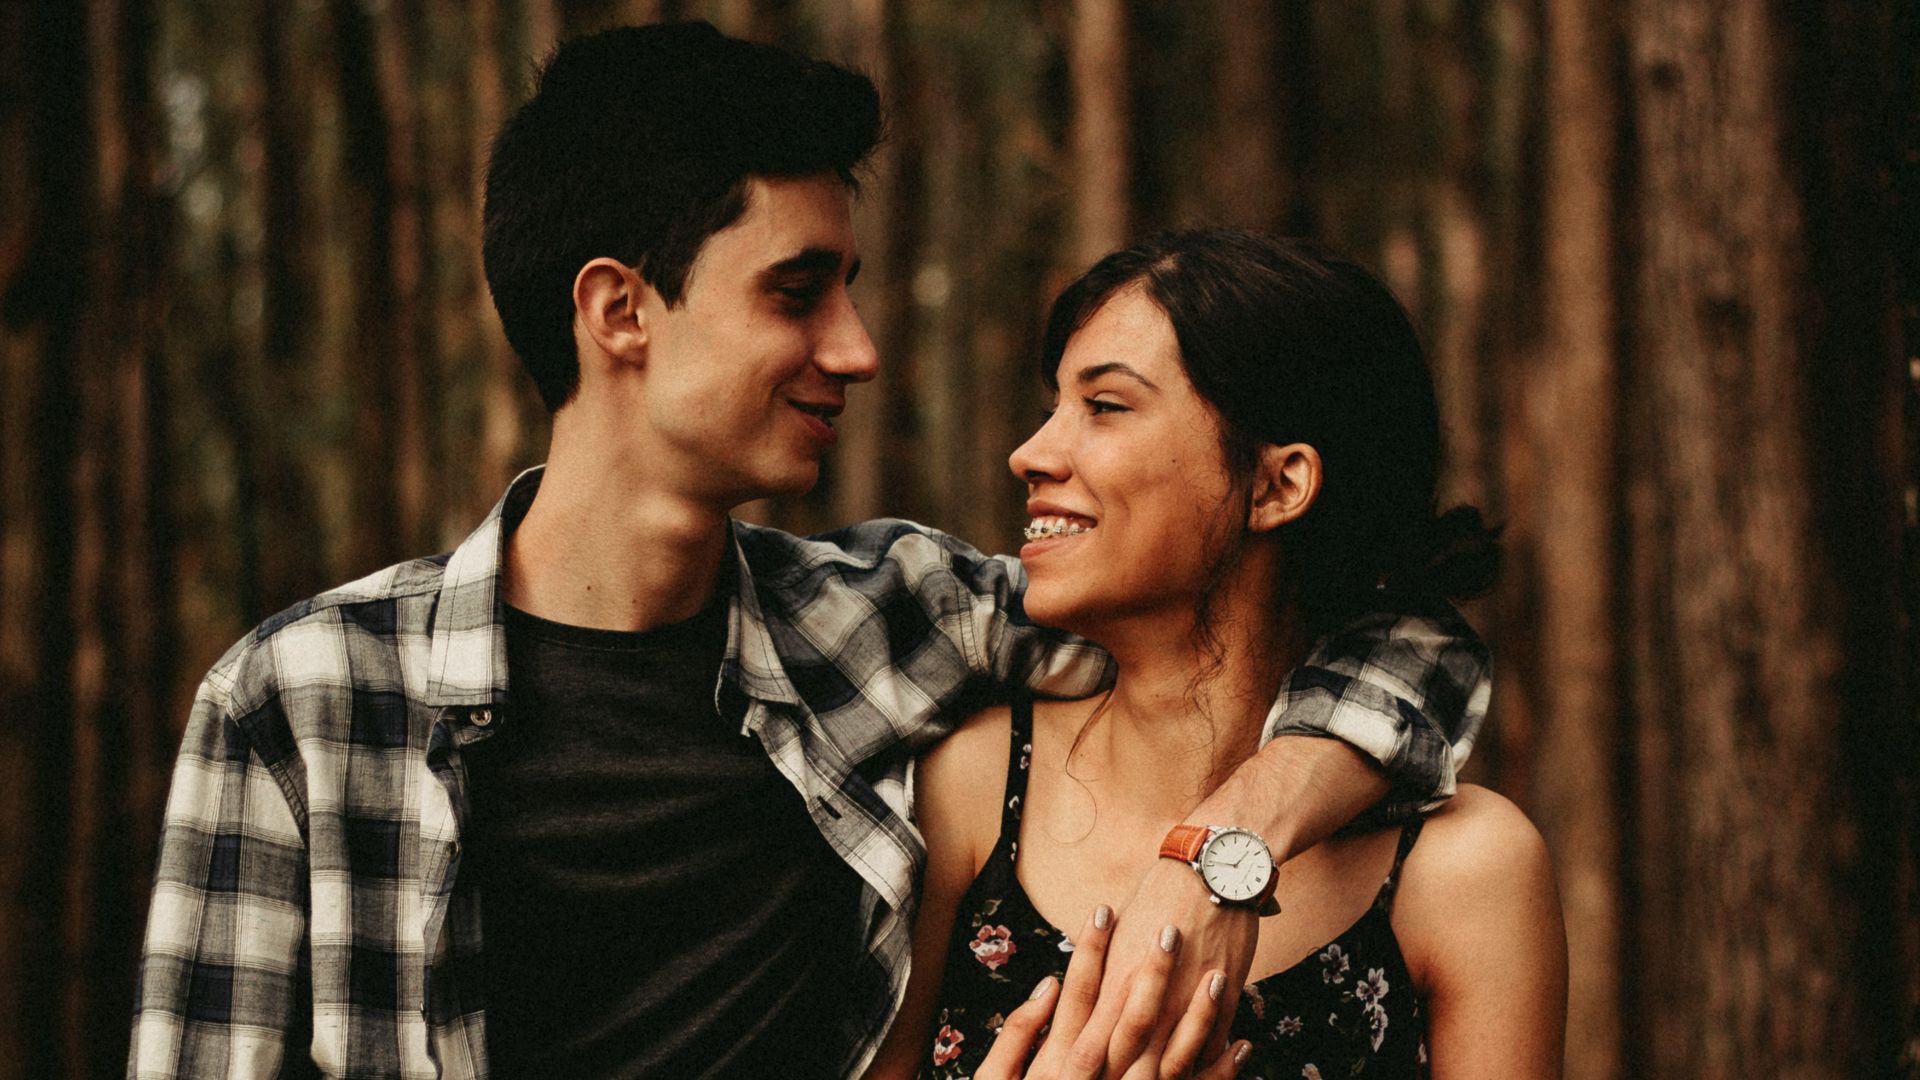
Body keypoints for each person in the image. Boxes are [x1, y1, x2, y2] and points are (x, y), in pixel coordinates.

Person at [126, 24, 1493, 1080]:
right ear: (620, 311)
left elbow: (1367, 628)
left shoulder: (883, 626)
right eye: (798, 292)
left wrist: (1224, 850)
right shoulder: (301, 705)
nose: (857, 349)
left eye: (851, 288)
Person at [868, 231, 1566, 1080]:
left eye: (1106, 406)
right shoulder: (969, 788)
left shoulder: (1465, 872)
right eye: (1055, 405)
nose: (1032, 453)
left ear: (1278, 486)